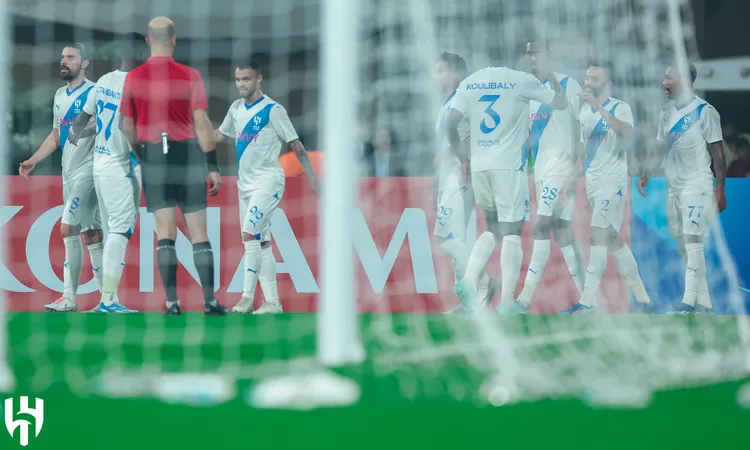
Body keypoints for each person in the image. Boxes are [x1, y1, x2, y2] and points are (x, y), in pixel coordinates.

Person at [445, 46, 568, 311]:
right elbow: (561, 102)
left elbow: (450, 121)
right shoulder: (519, 78)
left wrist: (461, 156)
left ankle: (468, 280)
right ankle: (507, 303)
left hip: (479, 165)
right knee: (512, 231)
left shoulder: (470, 82)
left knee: (492, 227)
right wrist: (552, 76)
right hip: (509, 166)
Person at [120, 17, 227, 316]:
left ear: (147, 40)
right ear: (174, 39)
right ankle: (210, 301)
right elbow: (203, 123)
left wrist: (139, 151)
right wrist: (212, 166)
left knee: (164, 231)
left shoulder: (134, 77)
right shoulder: (189, 74)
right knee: (199, 233)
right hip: (188, 156)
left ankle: (172, 303)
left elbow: (126, 125)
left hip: (154, 155)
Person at [214, 60, 319, 314]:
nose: (241, 84)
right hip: (244, 185)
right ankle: (273, 303)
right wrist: (190, 132)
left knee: (249, 235)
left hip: (268, 181)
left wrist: (312, 177)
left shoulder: (273, 110)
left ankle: (246, 298)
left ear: (258, 79)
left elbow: (296, 145)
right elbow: (219, 135)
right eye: (238, 79)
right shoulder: (236, 108)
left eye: (246, 79)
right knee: (261, 242)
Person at [560, 60, 650, 314]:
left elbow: (626, 134)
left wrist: (598, 106)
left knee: (597, 235)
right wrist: (569, 182)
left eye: (594, 79)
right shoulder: (583, 113)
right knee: (613, 239)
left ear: (607, 84)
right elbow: (583, 154)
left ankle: (587, 302)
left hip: (614, 182)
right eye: (587, 77)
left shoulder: (621, 108)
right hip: (593, 181)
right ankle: (643, 299)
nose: (588, 82)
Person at [19, 43, 104, 312]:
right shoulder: (59, 95)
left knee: (68, 227)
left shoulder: (95, 91)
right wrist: (34, 159)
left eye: (70, 57)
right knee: (91, 233)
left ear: (85, 62)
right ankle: (108, 300)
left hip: (89, 170)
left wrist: (87, 130)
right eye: (62, 57)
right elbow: (57, 135)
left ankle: (69, 297)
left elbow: (105, 125)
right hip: (68, 171)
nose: (63, 61)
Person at [637, 62, 727, 314]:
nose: (663, 82)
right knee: (683, 244)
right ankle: (706, 303)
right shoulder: (665, 113)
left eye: (668, 78)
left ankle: (687, 303)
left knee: (692, 240)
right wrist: (646, 173)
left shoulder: (704, 111)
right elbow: (659, 148)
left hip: (697, 184)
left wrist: (720, 188)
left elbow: (718, 151)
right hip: (673, 187)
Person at [69, 33, 150, 313]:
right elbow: (134, 128)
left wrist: (78, 132)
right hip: (122, 166)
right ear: (142, 52)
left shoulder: (104, 80)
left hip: (100, 165)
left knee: (111, 229)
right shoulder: (139, 84)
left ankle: (107, 298)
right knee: (120, 230)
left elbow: (82, 118)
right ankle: (109, 299)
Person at [513, 39, 587, 313]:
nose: (532, 57)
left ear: (549, 54)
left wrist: (576, 169)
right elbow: (531, 135)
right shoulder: (531, 91)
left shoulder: (569, 85)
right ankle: (589, 299)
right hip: (542, 170)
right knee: (561, 231)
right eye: (528, 53)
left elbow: (583, 127)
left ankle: (523, 299)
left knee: (541, 225)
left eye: (537, 53)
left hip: (562, 167)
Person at [431, 52, 496, 313]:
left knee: (444, 237)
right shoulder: (445, 104)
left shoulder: (465, 100)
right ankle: (470, 301)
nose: (435, 76)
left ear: (454, 74)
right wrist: (435, 183)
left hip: (461, 173)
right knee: (453, 237)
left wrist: (462, 158)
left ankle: (484, 282)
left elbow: (475, 136)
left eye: (440, 70)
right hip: (447, 175)